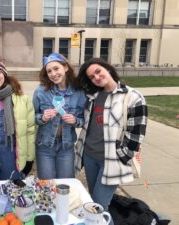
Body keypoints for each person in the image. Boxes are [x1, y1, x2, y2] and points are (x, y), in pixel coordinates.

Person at [75, 58, 148, 224]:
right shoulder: (93, 96)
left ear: (108, 68)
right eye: (92, 77)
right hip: (90, 156)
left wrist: (122, 158)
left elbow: (136, 136)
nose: (97, 77)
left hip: (111, 162)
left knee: (99, 208)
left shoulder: (133, 97)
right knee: (94, 202)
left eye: (98, 71)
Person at [32, 52, 86, 179]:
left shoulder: (79, 92)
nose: (53, 74)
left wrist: (75, 121)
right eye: (49, 71)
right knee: (46, 185)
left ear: (66, 67)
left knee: (65, 184)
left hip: (66, 147)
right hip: (44, 145)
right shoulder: (41, 91)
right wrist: (42, 118)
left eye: (56, 68)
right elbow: (33, 117)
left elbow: (85, 119)